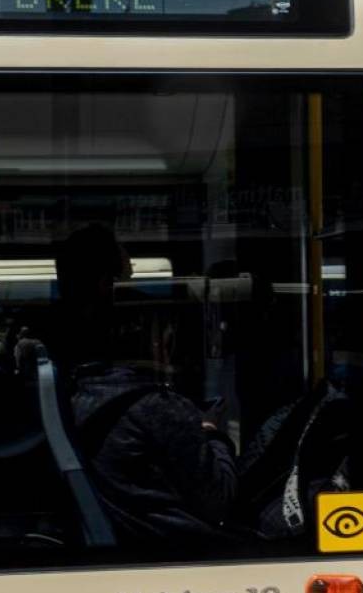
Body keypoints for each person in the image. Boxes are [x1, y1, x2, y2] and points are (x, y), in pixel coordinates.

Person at [56, 224, 236, 543]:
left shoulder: (78, 389)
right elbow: (220, 499)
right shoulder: (157, 407)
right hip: (183, 546)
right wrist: (213, 434)